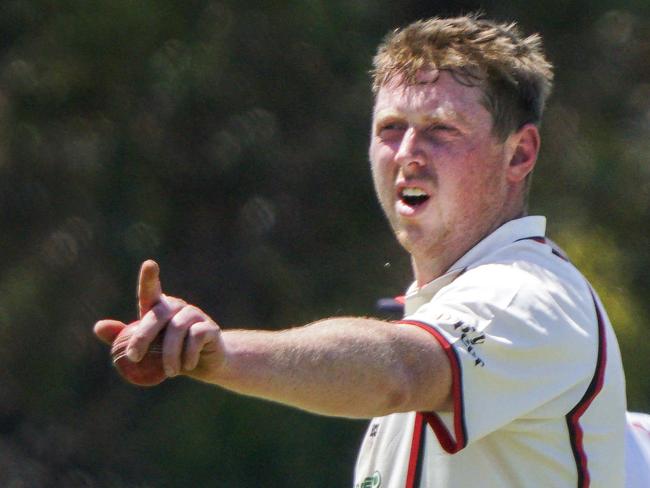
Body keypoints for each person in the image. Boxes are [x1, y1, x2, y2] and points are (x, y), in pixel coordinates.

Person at [94, 15, 627, 487]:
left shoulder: (527, 293)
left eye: (441, 129)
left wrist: (223, 355)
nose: (408, 155)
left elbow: (399, 372)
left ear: (520, 153)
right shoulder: (447, 307)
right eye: (391, 128)